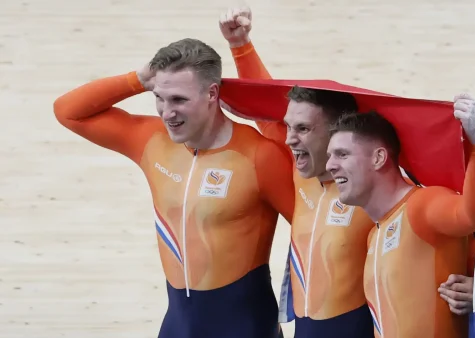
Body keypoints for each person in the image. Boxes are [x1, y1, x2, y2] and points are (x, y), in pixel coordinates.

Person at [218, 7, 475, 337]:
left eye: (303, 128)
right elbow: (266, 111)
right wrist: (241, 45)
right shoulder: (302, 171)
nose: (289, 138)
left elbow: (456, 229)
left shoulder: (377, 189)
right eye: (289, 127)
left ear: (337, 132)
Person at [53, 38, 295, 338]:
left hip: (247, 327)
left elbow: (313, 229)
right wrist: (138, 80)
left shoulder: (259, 156)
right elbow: (67, 111)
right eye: (159, 97)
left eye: (179, 100)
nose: (167, 112)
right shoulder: (151, 140)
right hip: (178, 326)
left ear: (212, 93)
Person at [324, 96, 475, 337]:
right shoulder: (375, 234)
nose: (330, 165)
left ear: (378, 158)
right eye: (330, 156)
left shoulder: (421, 206)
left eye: (342, 154)